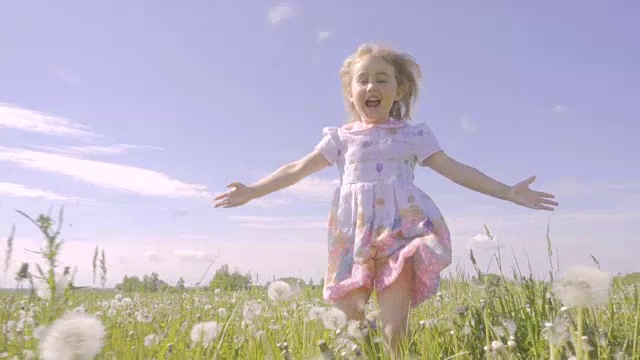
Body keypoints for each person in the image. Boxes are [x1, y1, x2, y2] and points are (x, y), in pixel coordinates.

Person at [213, 43, 559, 358]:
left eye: (382, 79)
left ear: (400, 89)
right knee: (352, 326)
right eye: (362, 81)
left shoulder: (413, 135)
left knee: (396, 333)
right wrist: (254, 191)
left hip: (402, 234)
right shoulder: (340, 138)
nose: (371, 87)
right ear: (351, 92)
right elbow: (298, 168)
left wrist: (507, 191)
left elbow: (454, 169)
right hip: (352, 238)